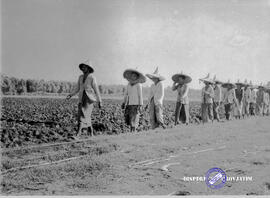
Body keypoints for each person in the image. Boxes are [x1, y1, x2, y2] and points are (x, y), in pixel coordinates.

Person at [67, 62, 102, 137]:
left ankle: (78, 134)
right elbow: (77, 88)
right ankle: (91, 132)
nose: (83, 68)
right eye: (82, 67)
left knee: (82, 115)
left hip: (89, 99)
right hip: (81, 98)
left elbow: (96, 90)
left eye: (85, 67)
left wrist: (100, 101)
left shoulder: (92, 77)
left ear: (89, 68)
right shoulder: (80, 77)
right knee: (84, 115)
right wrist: (70, 95)